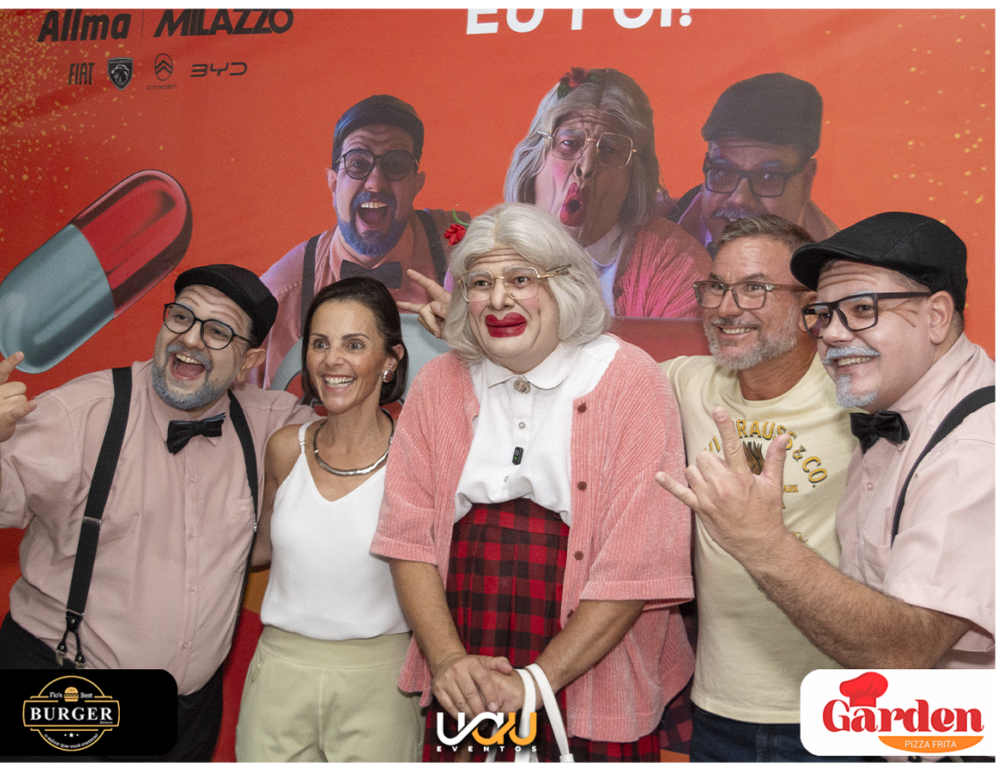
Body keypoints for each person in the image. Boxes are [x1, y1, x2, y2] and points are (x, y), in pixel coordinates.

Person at [371, 203, 694, 762]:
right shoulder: (438, 383)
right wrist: (448, 661)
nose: (499, 300)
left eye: (521, 279)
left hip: (590, 652)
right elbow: (408, 541)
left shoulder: (631, 380)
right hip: (468, 641)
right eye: (481, 283)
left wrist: (536, 681)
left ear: (563, 285)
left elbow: (635, 565)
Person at [0, 264, 315, 761]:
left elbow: (363, 438)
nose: (190, 339)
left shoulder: (271, 424)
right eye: (181, 317)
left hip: (190, 718)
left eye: (217, 331)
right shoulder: (85, 411)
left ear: (249, 360)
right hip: (67, 695)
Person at [656, 212, 993, 679]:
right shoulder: (889, 405)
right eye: (826, 314)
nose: (831, 333)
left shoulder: (976, 446)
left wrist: (761, 541)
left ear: (935, 316)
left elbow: (903, 653)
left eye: (863, 309)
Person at [661, 214, 858, 762]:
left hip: (841, 711)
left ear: (810, 306)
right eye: (716, 287)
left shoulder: (858, 396)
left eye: (754, 288)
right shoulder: (684, 382)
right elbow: (575, 372)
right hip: (717, 709)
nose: (727, 307)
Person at [236, 277, 422, 762]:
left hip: (381, 683)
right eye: (320, 343)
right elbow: (259, 548)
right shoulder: (285, 448)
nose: (332, 360)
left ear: (391, 360)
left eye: (354, 345)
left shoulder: (418, 457)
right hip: (278, 675)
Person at [253, 94, 467, 388]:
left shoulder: (466, 251)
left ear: (416, 184)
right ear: (332, 182)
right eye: (357, 164)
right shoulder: (279, 296)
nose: (375, 183)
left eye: (395, 164)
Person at [503, 67, 709, 317]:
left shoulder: (673, 263)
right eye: (569, 143)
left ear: (634, 176)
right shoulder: (488, 248)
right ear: (534, 158)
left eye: (610, 150)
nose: (586, 166)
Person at [671, 72, 839, 255]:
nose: (740, 199)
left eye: (768, 176)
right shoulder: (660, 229)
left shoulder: (835, 266)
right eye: (723, 172)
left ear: (806, 181)